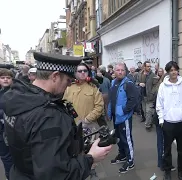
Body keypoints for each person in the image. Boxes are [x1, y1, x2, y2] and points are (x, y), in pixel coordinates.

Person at [2, 52, 112, 180]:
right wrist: (91, 158)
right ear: (55, 76)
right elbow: (57, 175)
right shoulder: (47, 115)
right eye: (68, 81)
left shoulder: (18, 97)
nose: (69, 85)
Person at [156, 61, 182, 180]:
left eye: (175, 70)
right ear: (168, 72)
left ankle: (181, 171)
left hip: (181, 122)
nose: (174, 72)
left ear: (178, 71)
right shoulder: (163, 86)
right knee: (167, 150)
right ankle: (167, 170)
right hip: (168, 122)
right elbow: (159, 104)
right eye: (171, 70)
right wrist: (161, 120)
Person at [108, 63, 137, 173]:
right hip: (116, 117)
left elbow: (133, 100)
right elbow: (112, 99)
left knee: (127, 139)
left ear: (125, 71)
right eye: (118, 70)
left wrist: (124, 111)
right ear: (114, 71)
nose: (120, 72)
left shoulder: (128, 84)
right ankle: (122, 155)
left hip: (124, 118)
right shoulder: (113, 82)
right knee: (119, 138)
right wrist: (110, 112)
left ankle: (130, 161)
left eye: (122, 70)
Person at [0, 67, 14, 180]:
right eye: (2, 77)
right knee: (6, 157)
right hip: (1, 132)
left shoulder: (16, 93)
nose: (5, 80)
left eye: (8, 78)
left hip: (14, 131)